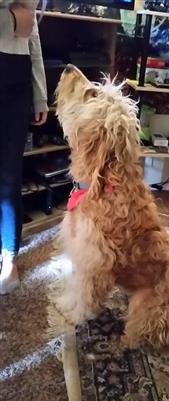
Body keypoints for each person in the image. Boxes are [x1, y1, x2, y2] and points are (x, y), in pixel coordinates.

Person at [0, 1, 48, 294]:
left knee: (9, 176)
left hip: (16, 75)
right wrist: (10, 16)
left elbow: (31, 30)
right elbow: (21, 17)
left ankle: (9, 257)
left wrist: (40, 95)